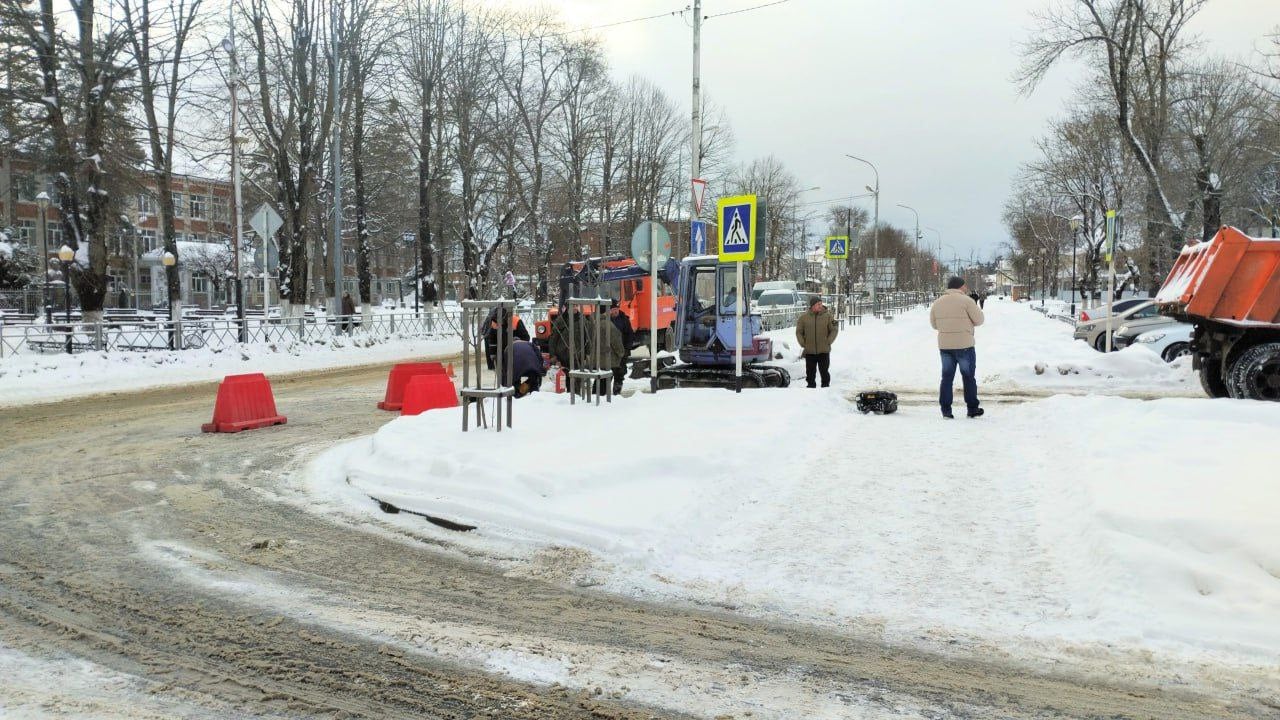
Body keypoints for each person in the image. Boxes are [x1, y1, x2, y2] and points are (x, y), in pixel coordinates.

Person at [930, 276, 985, 419]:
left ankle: (946, 410)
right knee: (968, 377)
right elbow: (979, 320)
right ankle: (972, 408)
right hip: (964, 345)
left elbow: (934, 325)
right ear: (960, 286)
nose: (966, 288)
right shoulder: (967, 301)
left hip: (945, 346)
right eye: (964, 285)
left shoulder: (937, 302)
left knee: (947, 378)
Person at [795, 296, 838, 388]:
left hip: (824, 350)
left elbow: (834, 329)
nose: (820, 306)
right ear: (812, 306)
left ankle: (825, 387)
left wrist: (828, 341)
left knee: (824, 371)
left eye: (821, 304)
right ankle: (811, 387)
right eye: (818, 304)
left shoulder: (828, 316)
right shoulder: (803, 318)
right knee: (810, 372)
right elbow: (799, 332)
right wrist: (803, 343)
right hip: (809, 351)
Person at [608, 299, 634, 394]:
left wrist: (627, 349)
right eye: (613, 309)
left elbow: (630, 335)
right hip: (608, 353)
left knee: (619, 374)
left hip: (621, 352)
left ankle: (616, 393)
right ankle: (602, 395)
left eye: (616, 309)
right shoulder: (605, 319)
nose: (615, 311)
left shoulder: (624, 319)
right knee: (606, 374)